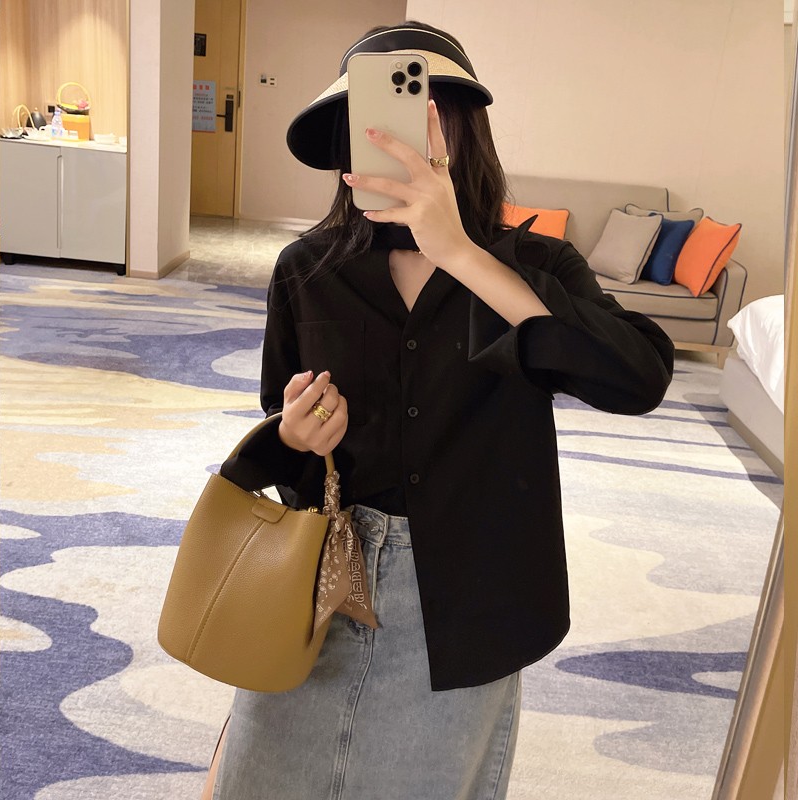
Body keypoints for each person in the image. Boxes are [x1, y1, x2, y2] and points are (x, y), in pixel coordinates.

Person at [209, 20, 674, 800]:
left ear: (462, 131)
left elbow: (637, 380)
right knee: (264, 779)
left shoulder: (534, 266)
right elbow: (285, 439)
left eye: (423, 115)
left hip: (471, 586)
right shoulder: (306, 268)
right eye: (371, 122)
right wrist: (295, 434)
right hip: (322, 578)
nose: (394, 143)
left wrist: (460, 251)